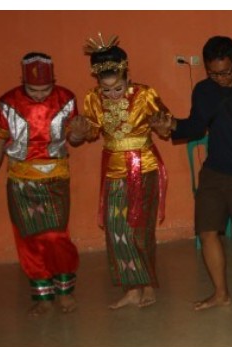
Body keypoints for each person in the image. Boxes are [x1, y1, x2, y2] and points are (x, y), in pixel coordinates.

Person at [152, 36, 232, 310]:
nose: (219, 78)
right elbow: (196, 127)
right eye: (213, 73)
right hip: (215, 171)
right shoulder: (203, 90)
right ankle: (220, 293)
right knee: (207, 232)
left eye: (225, 72)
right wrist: (172, 125)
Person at [68, 36, 169, 310]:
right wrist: (76, 134)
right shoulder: (92, 99)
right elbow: (86, 132)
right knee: (116, 231)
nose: (112, 95)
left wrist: (162, 125)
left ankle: (148, 284)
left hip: (143, 166)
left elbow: (166, 124)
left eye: (118, 88)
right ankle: (131, 287)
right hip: (113, 169)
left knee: (140, 229)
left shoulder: (145, 95)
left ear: (127, 76)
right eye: (106, 90)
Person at [0, 53, 81, 316]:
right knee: (29, 240)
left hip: (56, 178)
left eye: (45, 89)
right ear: (23, 82)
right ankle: (43, 295)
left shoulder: (66, 99)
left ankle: (64, 291)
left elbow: (77, 136)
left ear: (54, 82)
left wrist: (81, 132)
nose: (39, 95)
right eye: (33, 90)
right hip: (20, 180)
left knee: (55, 236)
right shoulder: (8, 103)